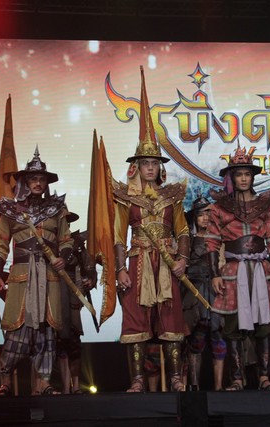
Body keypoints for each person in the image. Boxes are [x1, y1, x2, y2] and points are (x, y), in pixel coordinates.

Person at [113, 66, 189, 392]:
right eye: (145, 163)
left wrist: (183, 258)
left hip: (167, 264)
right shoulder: (124, 198)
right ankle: (137, 380)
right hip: (137, 261)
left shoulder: (172, 196)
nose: (150, 167)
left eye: (154, 163)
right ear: (137, 166)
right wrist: (120, 269)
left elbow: (183, 232)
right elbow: (118, 236)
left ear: (160, 168)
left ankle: (176, 378)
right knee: (135, 319)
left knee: (170, 319)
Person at [0, 147, 73, 396]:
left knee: (46, 331)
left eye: (42, 179)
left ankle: (45, 383)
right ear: (26, 182)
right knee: (17, 332)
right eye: (33, 179)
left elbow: (66, 240)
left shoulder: (57, 209)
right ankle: (5, 381)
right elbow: (1, 244)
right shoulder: (11, 211)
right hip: (21, 277)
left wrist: (62, 258)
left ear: (46, 183)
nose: (38, 183)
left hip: (48, 277)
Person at [206, 145, 270, 391]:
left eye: (247, 174)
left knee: (265, 326)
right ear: (231, 177)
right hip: (233, 272)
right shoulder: (219, 207)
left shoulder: (265, 206)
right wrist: (214, 274)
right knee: (233, 326)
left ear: (252, 177)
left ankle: (264, 378)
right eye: (238, 174)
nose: (243, 178)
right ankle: (237, 379)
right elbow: (212, 242)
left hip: (261, 270)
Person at [182, 196, 226, 391]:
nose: (206, 218)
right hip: (194, 292)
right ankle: (194, 386)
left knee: (218, 335)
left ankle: (219, 386)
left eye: (209, 214)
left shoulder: (220, 240)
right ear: (195, 217)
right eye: (201, 214)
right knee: (196, 338)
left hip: (217, 290)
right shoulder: (188, 241)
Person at [56, 213, 97, 393]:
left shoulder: (77, 244)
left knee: (73, 343)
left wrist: (90, 280)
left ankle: (76, 386)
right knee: (56, 343)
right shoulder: (48, 242)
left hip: (72, 297)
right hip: (53, 297)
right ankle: (62, 388)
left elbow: (89, 266)